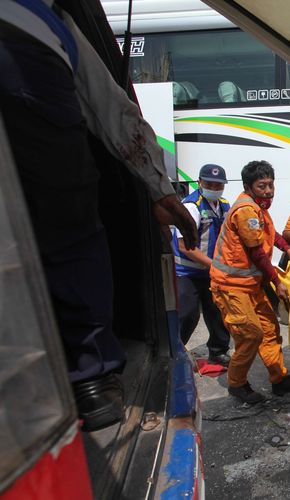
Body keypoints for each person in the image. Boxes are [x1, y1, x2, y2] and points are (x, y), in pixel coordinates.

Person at [0, 0, 197, 431]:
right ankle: (90, 379)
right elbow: (115, 112)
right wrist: (157, 186)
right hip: (28, 62)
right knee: (67, 223)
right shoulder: (47, 20)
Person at [210, 160, 290, 404]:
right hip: (231, 286)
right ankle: (237, 383)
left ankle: (279, 380)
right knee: (251, 334)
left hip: (249, 285)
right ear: (248, 186)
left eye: (270, 185)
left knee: (269, 330)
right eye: (262, 185)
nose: (268, 190)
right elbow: (256, 252)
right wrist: (278, 282)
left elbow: (271, 235)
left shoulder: (258, 208)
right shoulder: (246, 210)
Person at [172, 164, 232, 365]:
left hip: (211, 271)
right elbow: (183, 245)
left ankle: (218, 351)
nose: (214, 188)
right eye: (209, 184)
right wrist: (213, 263)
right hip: (187, 272)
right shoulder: (191, 206)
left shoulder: (224, 206)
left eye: (218, 185)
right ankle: (176, 353)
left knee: (217, 311)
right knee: (188, 313)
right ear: (199, 182)